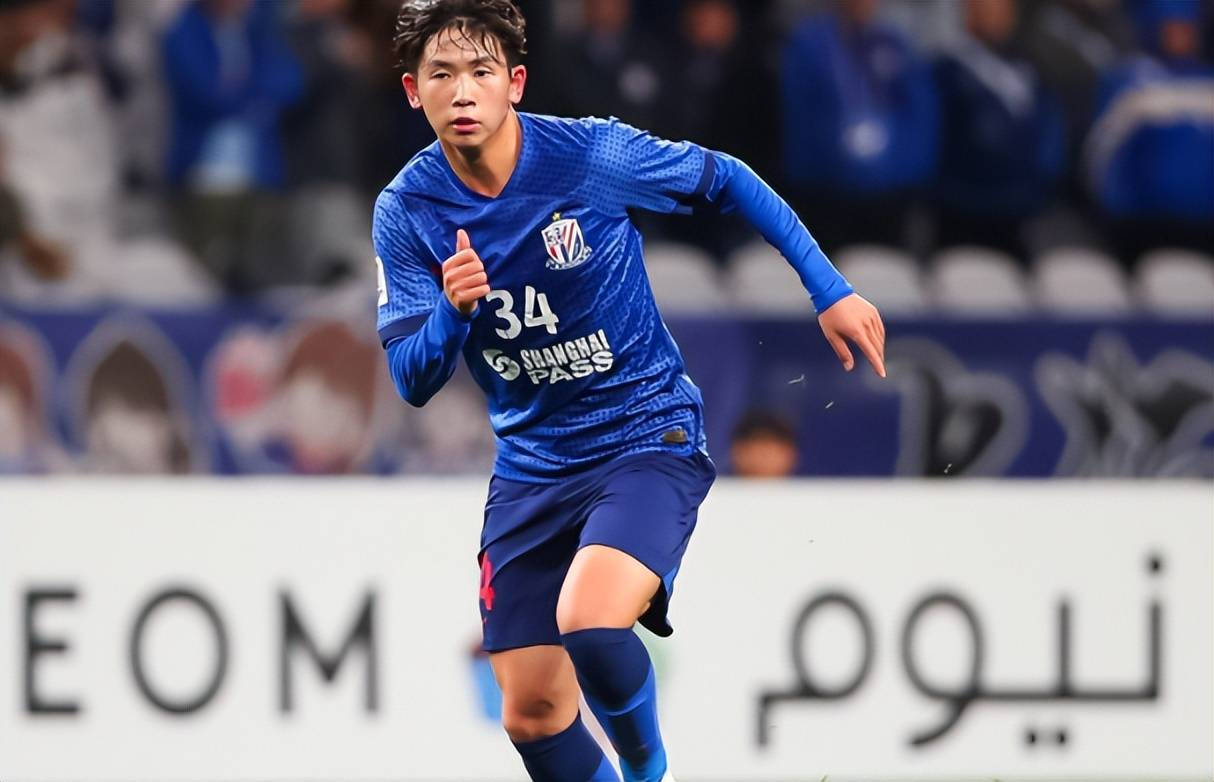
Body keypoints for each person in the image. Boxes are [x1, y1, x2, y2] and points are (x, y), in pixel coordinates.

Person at [374, 2, 886, 780]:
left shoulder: (589, 155)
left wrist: (830, 289)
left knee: (590, 621)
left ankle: (649, 772)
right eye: (441, 74)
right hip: (532, 467)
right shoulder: (405, 212)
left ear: (515, 82)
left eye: (481, 71)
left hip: (644, 435)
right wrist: (452, 313)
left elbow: (727, 178)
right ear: (415, 92)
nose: (464, 91)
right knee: (530, 713)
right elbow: (412, 380)